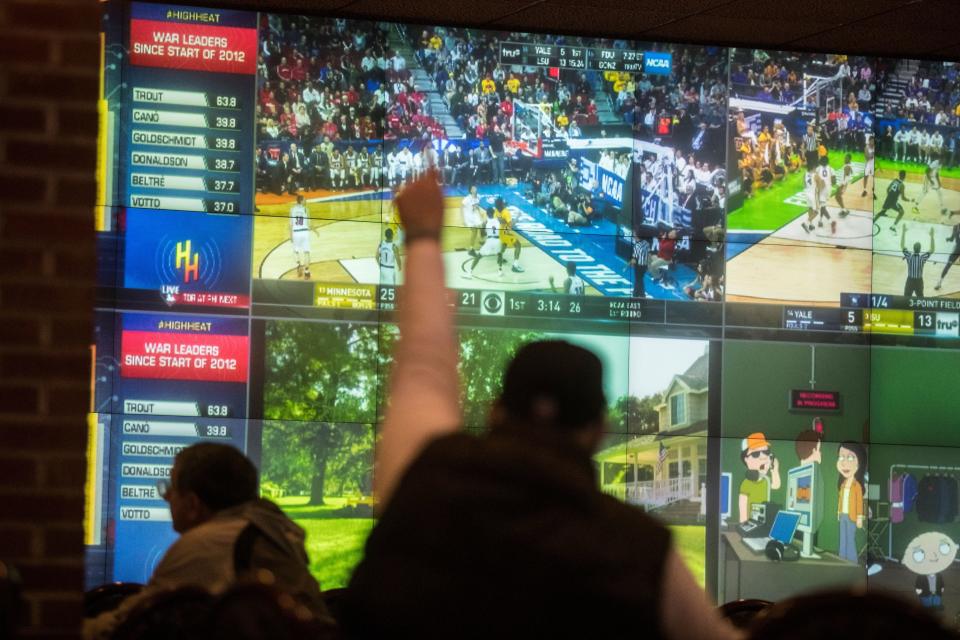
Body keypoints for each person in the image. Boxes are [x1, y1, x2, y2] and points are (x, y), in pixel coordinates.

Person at [340, 169, 740, 640]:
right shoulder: (640, 548)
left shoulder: (424, 481)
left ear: (495, 412)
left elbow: (423, 362)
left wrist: (424, 235)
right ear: (599, 430)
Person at [83, 443, 328, 640]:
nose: (166, 496)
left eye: (171, 487)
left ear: (192, 504)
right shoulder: (267, 527)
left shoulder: (206, 543)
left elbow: (126, 625)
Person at [738, 432, 781, 524]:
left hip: (765, 523)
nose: (763, 457)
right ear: (746, 459)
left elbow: (776, 485)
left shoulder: (766, 480)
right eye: (756, 454)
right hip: (751, 523)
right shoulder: (746, 483)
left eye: (766, 452)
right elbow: (742, 507)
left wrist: (775, 470)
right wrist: (744, 525)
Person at [836, 441, 866, 564]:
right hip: (843, 515)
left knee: (850, 539)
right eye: (841, 457)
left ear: (858, 464)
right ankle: (841, 559)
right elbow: (841, 500)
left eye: (850, 457)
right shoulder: (842, 484)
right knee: (842, 538)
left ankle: (852, 561)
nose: (844, 462)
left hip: (852, 516)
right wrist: (838, 512)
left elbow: (859, 503)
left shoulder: (857, 485)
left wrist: (859, 517)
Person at [902, 225, 935, 297]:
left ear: (913, 249)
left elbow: (902, 246)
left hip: (910, 280)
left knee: (906, 299)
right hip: (919, 281)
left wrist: (903, 232)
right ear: (920, 250)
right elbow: (932, 249)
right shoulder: (922, 258)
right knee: (920, 299)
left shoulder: (909, 256)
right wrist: (932, 236)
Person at [290, 194, 312, 280]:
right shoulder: (306, 209)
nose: (306, 201)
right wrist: (315, 229)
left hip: (296, 232)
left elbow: (290, 224)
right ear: (301, 201)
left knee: (296, 251)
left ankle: (299, 265)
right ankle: (306, 272)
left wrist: (290, 235)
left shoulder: (292, 209)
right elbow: (309, 224)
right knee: (307, 253)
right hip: (305, 232)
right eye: (305, 200)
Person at [935, 221, 960, 291]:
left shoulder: (955, 227)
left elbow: (951, 239)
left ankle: (939, 282)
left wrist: (948, 239)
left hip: (956, 251)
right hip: (957, 249)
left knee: (948, 265)